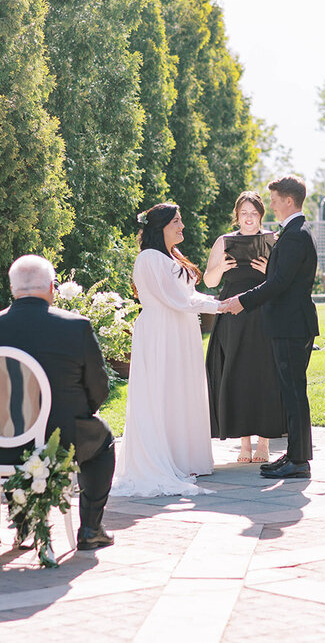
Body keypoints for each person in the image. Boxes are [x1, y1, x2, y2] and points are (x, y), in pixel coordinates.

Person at [0, 255, 116, 550]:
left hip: (0, 439)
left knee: (14, 439)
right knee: (103, 441)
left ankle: (24, 523)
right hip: (62, 437)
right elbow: (99, 387)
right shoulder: (76, 327)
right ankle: (90, 527)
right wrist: (82, 412)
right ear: (52, 287)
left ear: (12, 289)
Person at [111, 203, 222, 497]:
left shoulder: (170, 256)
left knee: (181, 390)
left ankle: (183, 458)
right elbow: (177, 300)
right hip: (162, 332)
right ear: (160, 227)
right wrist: (220, 306)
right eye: (176, 221)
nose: (182, 226)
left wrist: (219, 301)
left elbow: (187, 295)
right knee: (163, 391)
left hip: (179, 330)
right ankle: (165, 458)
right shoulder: (149, 258)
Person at [221, 175, 319, 480]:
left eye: (275, 201)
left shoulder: (295, 235)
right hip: (290, 323)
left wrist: (242, 301)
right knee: (292, 391)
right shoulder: (294, 232)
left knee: (293, 392)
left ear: (289, 200)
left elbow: (278, 283)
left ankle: (299, 461)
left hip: (291, 325)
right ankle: (295, 455)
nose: (272, 206)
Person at [203, 191, 287, 463]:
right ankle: (244, 444)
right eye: (243, 214)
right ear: (237, 216)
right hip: (233, 315)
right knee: (236, 372)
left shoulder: (274, 240)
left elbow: (284, 282)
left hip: (264, 312)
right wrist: (221, 267)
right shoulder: (224, 241)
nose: (249, 218)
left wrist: (267, 272)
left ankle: (263, 443)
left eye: (253, 213)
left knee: (264, 373)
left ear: (261, 215)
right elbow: (210, 281)